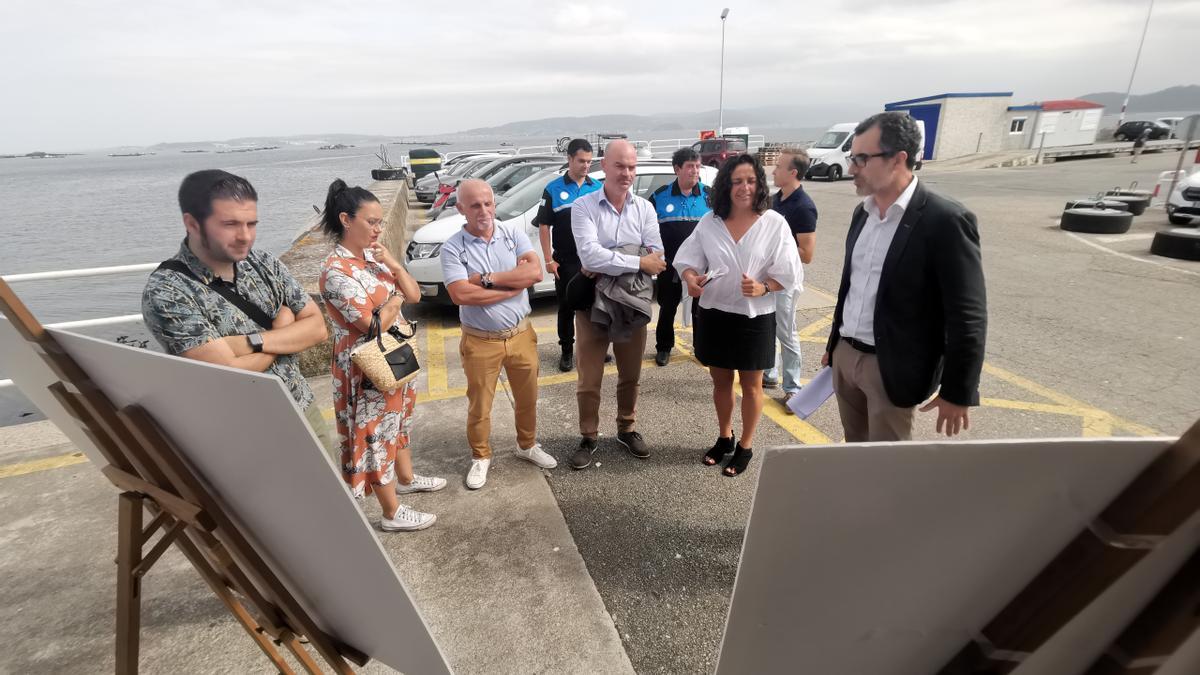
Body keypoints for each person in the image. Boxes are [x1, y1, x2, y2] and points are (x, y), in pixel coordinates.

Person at [142, 169, 334, 459]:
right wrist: (280, 334)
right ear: (193, 224)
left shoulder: (263, 263)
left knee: (329, 499)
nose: (245, 237)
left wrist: (249, 343)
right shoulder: (169, 292)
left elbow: (318, 328)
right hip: (244, 435)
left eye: (251, 224)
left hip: (301, 406)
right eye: (230, 224)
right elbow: (228, 374)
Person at [822, 112, 987, 442]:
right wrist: (834, 345)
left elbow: (967, 315)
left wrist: (958, 390)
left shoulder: (945, 220)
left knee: (888, 465)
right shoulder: (862, 213)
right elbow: (851, 287)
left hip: (890, 366)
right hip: (846, 356)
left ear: (898, 159)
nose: (852, 168)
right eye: (852, 158)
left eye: (861, 159)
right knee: (853, 449)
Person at [318, 179, 444, 532]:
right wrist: (395, 297)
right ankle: (391, 512)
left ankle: (404, 477)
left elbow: (415, 294)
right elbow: (371, 325)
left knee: (399, 420)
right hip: (367, 364)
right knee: (374, 433)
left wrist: (394, 265)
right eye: (371, 222)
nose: (378, 228)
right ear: (346, 219)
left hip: (395, 351)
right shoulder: (335, 271)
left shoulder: (372, 261)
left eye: (380, 222)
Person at [675, 154, 802, 477]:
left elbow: (789, 272)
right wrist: (691, 280)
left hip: (754, 318)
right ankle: (724, 436)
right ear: (725, 186)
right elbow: (688, 261)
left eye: (750, 180)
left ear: (759, 183)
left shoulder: (773, 224)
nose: (744, 187)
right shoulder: (710, 222)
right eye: (736, 181)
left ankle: (745, 445)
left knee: (752, 385)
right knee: (720, 384)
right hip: (716, 313)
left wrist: (764, 287)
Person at [442, 179, 555, 489]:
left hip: (521, 335)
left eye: (488, 203)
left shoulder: (512, 234)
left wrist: (487, 280)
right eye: (475, 205)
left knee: (528, 397)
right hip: (480, 340)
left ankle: (527, 445)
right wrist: (512, 288)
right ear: (461, 209)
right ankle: (480, 456)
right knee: (480, 404)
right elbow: (460, 295)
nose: (484, 211)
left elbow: (534, 273)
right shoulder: (453, 247)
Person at [568, 140, 665, 469]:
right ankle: (589, 435)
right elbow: (589, 255)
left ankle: (627, 428)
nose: (627, 173)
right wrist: (636, 259)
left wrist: (611, 258)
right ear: (604, 166)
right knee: (589, 378)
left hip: (631, 304)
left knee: (631, 374)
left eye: (632, 167)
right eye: (620, 166)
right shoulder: (583, 207)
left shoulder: (645, 209)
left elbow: (658, 256)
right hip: (592, 304)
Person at [537, 138, 602, 372]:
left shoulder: (596, 188)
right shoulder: (553, 189)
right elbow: (544, 226)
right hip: (565, 261)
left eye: (589, 161)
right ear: (570, 159)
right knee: (566, 308)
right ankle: (566, 351)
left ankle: (595, 347)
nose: (586, 166)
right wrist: (548, 260)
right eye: (581, 161)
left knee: (594, 306)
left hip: (592, 259)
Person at [762, 147, 818, 412]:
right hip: (770, 278)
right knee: (770, 327)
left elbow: (806, 254)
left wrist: (779, 242)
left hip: (786, 281)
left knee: (787, 332)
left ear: (793, 172)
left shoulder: (803, 207)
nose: (774, 171)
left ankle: (793, 388)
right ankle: (770, 374)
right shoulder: (777, 200)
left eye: (779, 167)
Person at [649, 147, 711, 366]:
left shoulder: (709, 195)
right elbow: (647, 231)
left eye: (697, 166)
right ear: (677, 169)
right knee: (668, 307)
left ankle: (701, 347)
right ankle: (664, 347)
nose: (695, 171)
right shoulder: (659, 196)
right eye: (690, 166)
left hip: (703, 267)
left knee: (700, 309)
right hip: (670, 267)